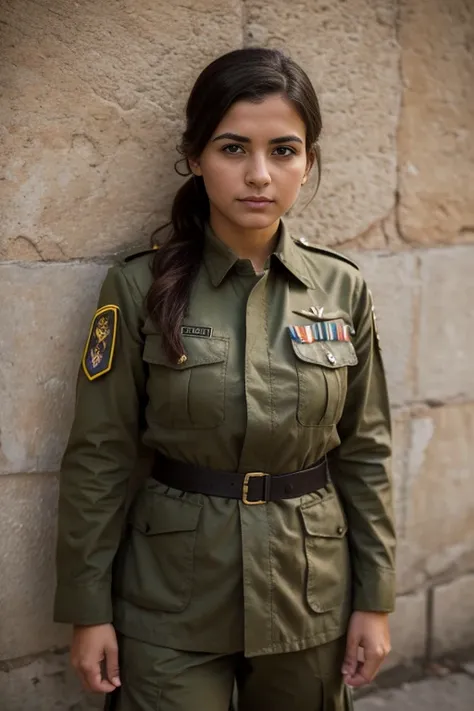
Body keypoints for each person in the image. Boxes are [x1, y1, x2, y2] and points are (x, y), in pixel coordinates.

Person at [54, 47, 396, 711]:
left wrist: (376, 598)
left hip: (309, 592)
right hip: (170, 598)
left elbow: (367, 453)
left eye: (285, 151)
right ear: (194, 155)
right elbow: (99, 455)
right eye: (233, 148)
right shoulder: (137, 287)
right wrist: (87, 609)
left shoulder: (341, 288)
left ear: (310, 160)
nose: (260, 175)